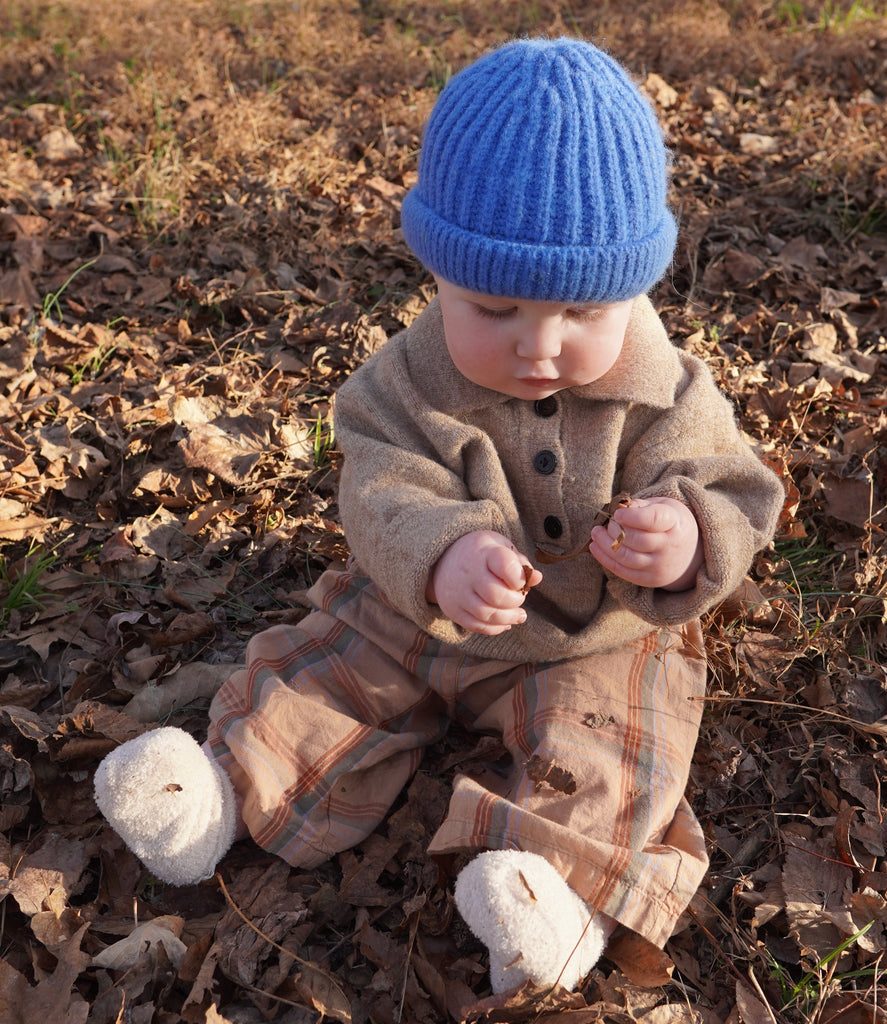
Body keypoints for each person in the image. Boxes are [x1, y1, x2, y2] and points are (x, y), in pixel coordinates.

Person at [94, 38, 784, 997]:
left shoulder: (667, 391)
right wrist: (441, 550)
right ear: (439, 274)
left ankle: (554, 890)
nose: (539, 347)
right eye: (494, 307)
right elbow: (377, 484)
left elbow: (737, 486)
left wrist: (688, 538)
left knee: (620, 742)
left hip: (597, 636)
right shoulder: (405, 381)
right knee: (329, 667)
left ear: (637, 285)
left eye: (582, 311)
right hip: (415, 616)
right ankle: (224, 783)